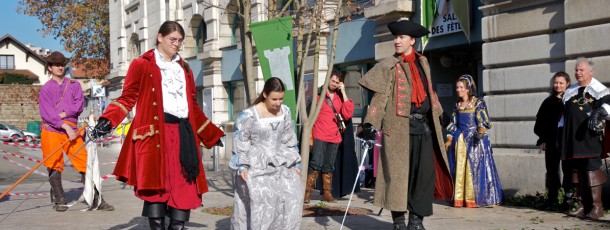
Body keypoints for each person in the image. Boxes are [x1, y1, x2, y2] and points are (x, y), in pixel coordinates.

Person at [91, 21, 224, 229]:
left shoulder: (185, 69)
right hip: (154, 136)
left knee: (183, 188)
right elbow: (128, 97)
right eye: (173, 39)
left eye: (179, 41)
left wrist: (211, 134)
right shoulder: (141, 64)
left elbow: (192, 106)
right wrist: (107, 121)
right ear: (160, 37)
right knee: (156, 190)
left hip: (183, 136)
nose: (177, 44)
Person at [357, 19, 453, 230]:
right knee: (398, 178)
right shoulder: (389, 65)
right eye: (395, 37)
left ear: (412, 40)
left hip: (424, 129)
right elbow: (380, 97)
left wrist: (439, 112)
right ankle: (399, 223)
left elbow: (429, 90)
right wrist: (370, 122)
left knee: (424, 176)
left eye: (401, 37)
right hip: (398, 130)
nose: (396, 41)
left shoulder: (423, 62)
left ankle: (416, 222)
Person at [39, 51, 113, 212]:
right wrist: (63, 125)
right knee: (54, 164)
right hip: (52, 130)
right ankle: (60, 199)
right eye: (56, 64)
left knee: (84, 163)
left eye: (61, 64)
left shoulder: (74, 85)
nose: (60, 67)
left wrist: (64, 116)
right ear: (49, 68)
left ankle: (97, 199)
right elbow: (47, 114)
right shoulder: (45, 89)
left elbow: (78, 106)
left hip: (72, 128)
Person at [231, 77, 302, 229]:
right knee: (261, 203)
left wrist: (294, 162)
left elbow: (288, 138)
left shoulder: (286, 112)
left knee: (289, 198)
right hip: (257, 165)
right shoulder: (249, 115)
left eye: (281, 99)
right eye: (274, 99)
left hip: (281, 162)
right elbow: (242, 140)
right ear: (265, 94)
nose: (278, 103)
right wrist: (243, 165)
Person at [561, 57, 609, 220]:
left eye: (581, 69)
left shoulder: (600, 89)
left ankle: (597, 207)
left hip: (590, 138)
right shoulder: (570, 91)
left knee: (592, 170)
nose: (578, 72)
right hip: (572, 138)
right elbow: (563, 116)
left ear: (591, 71)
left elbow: (608, 108)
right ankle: (582, 205)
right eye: (576, 69)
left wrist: (601, 112)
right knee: (577, 173)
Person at [444, 75, 502, 208]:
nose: (458, 90)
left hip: (475, 140)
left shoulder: (478, 102)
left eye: (461, 87)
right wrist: (449, 139)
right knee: (460, 169)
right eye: (457, 87)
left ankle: (475, 198)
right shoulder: (457, 105)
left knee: (475, 168)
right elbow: (454, 124)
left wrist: (481, 130)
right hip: (460, 140)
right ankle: (461, 199)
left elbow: (483, 120)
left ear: (468, 88)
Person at [304, 70, 355, 203]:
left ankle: (327, 193)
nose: (334, 84)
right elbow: (309, 117)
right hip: (320, 135)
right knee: (315, 164)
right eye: (333, 81)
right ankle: (307, 193)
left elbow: (348, 114)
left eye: (337, 82)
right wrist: (309, 135)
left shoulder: (339, 98)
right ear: (327, 80)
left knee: (329, 166)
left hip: (335, 136)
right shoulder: (318, 96)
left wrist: (343, 92)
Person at [533, 71, 573, 210]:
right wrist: (542, 139)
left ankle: (568, 200)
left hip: (567, 141)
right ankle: (551, 198)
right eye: (556, 83)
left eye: (561, 83)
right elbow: (540, 124)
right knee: (551, 170)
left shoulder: (571, 101)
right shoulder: (548, 102)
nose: (558, 85)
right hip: (551, 141)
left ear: (567, 84)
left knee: (568, 170)